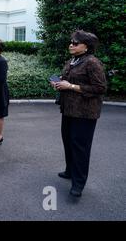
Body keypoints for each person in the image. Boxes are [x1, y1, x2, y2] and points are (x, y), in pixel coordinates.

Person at [51, 30, 107, 198]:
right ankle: (69, 171)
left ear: (86, 46)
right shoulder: (73, 61)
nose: (71, 45)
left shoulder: (92, 63)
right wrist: (59, 83)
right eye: (71, 42)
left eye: (75, 43)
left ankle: (78, 183)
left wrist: (71, 87)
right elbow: (69, 79)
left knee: (80, 148)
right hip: (68, 110)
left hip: (84, 113)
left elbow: (100, 88)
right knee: (68, 142)